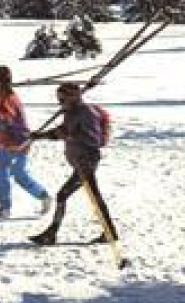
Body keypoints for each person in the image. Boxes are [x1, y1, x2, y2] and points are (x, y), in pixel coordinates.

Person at [28, 81, 118, 247]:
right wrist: (39, 136)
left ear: (73, 98)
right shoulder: (71, 112)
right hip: (79, 161)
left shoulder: (86, 113)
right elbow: (61, 131)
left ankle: (52, 233)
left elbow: (94, 140)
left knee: (64, 195)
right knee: (94, 197)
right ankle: (109, 232)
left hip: (87, 161)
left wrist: (70, 135)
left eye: (62, 100)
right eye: (59, 100)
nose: (60, 103)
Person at [0, 65, 51, 219]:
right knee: (17, 174)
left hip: (15, 141)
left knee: (3, 173)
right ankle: (43, 196)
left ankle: (5, 208)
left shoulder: (8, 99)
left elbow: (4, 117)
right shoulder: (2, 94)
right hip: (14, 141)